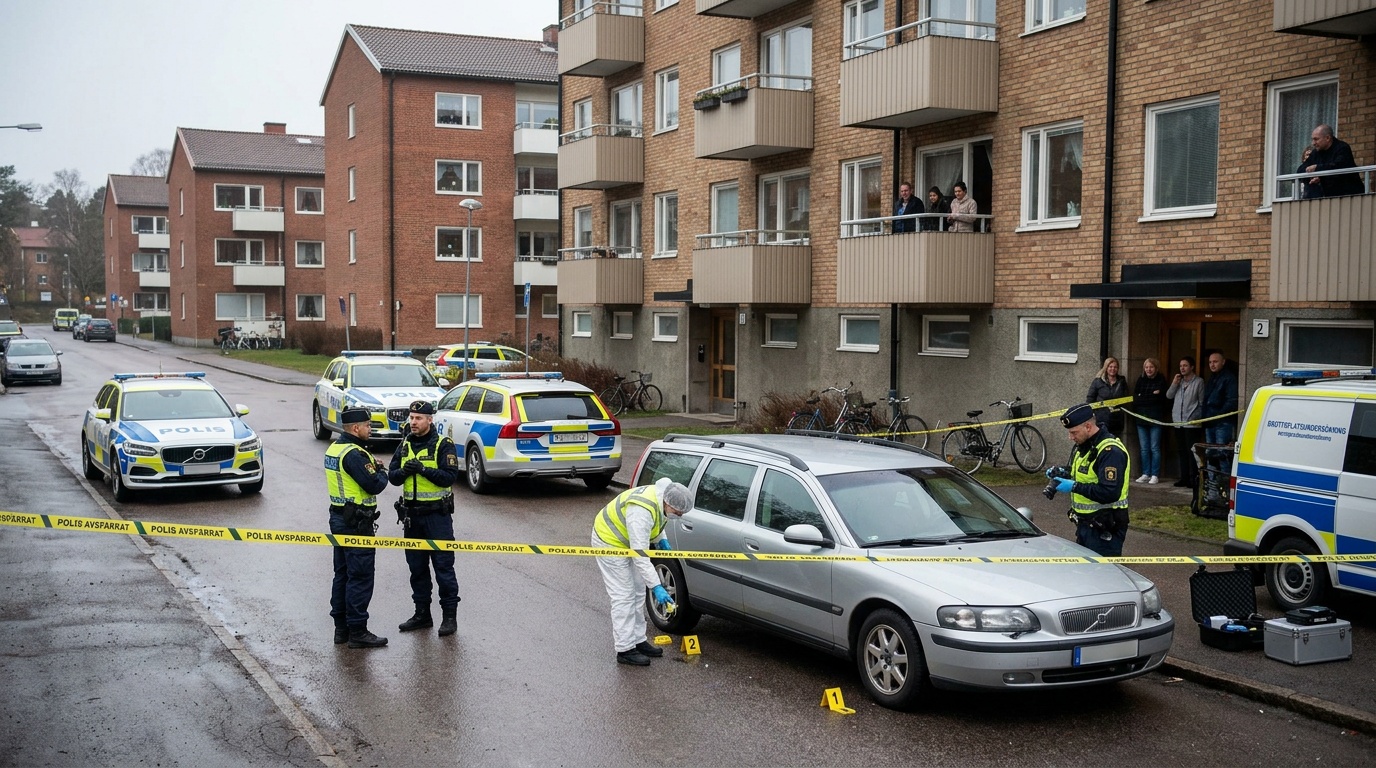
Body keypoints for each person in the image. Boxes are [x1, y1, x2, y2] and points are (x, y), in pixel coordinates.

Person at [593, 478, 693, 666]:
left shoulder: (663, 497)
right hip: (609, 542)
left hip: (630, 541)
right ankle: (624, 649)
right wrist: (656, 586)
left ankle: (638, 640)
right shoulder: (640, 512)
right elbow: (640, 556)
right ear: (668, 502)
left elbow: (659, 520)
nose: (678, 516)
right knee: (624, 596)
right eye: (677, 512)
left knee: (639, 592)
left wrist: (661, 539)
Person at [388, 400, 461, 637]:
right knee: (417, 569)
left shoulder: (443, 444)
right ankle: (422, 614)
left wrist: (423, 470)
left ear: (430, 420)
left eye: (418, 418)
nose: (413, 422)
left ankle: (449, 617)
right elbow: (393, 477)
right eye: (411, 418)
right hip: (412, 518)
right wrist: (404, 471)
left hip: (437, 517)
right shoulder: (406, 443)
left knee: (443, 568)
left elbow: (448, 477)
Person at [326, 408, 391, 649]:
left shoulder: (335, 448)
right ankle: (358, 631)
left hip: (339, 518)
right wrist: (380, 471)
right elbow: (374, 485)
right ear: (356, 428)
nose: (370, 429)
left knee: (342, 573)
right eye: (367, 426)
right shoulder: (354, 454)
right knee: (360, 576)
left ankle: (341, 629)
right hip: (356, 523)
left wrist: (371, 464)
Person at [1047, 403, 1131, 557]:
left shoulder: (1110, 451)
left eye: (1074, 432)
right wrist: (1062, 472)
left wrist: (1074, 486)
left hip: (1105, 528)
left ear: (1088, 426)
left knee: (1102, 577)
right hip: (1086, 526)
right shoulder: (1086, 446)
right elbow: (1082, 473)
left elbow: (1109, 492)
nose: (1070, 437)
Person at [1167, 355, 1204, 488]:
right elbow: (1169, 395)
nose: (1182, 368)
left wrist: (1194, 418)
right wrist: (1174, 383)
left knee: (1191, 452)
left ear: (1192, 367)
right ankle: (1183, 478)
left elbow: (1201, 403)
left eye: (1185, 365)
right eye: (1181, 366)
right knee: (1181, 451)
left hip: (1192, 424)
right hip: (1178, 422)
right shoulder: (1179, 382)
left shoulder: (1199, 382)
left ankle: (1194, 479)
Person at [1297, 124, 1363, 199]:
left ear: (1327, 138)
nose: (1313, 143)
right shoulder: (1316, 153)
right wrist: (1312, 176)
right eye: (1312, 139)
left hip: (1350, 197)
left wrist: (1317, 170)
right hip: (1328, 199)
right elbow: (1300, 170)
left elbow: (1338, 167)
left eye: (1316, 139)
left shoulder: (1342, 148)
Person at [1132, 357, 1168, 485]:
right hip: (1141, 419)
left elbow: (1161, 399)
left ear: (1156, 368)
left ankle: (1155, 474)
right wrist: (1151, 396)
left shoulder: (1161, 380)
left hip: (1156, 418)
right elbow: (1136, 399)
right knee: (1144, 448)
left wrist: (1146, 397)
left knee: (1154, 448)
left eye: (1151, 367)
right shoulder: (1141, 380)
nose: (1148, 369)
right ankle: (1145, 473)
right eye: (1146, 367)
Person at [1201, 351, 1238, 452]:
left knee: (1222, 455)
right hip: (1210, 422)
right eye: (1210, 362)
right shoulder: (1212, 378)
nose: (1212, 365)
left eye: (1215, 362)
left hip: (1223, 423)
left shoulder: (1229, 378)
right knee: (1210, 454)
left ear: (1223, 362)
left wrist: (1218, 415)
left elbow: (1231, 401)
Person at [1085, 356, 1128, 437]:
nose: (1113, 369)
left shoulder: (1122, 381)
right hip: (1102, 419)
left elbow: (1126, 398)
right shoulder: (1098, 381)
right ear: (1106, 367)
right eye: (1110, 367)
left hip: (1117, 421)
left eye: (1115, 367)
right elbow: (1090, 399)